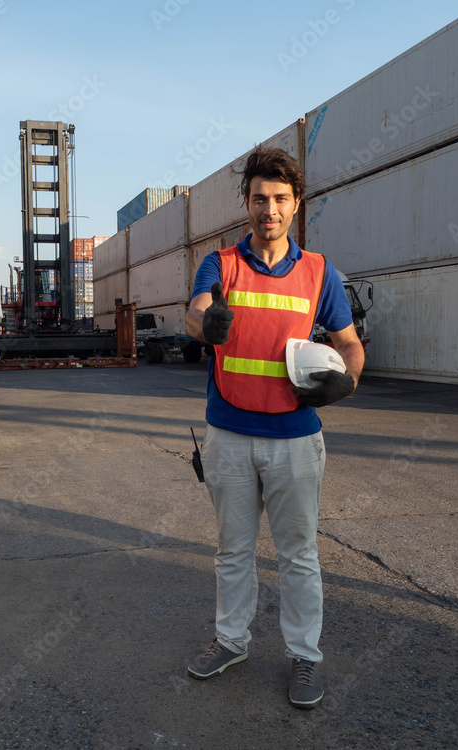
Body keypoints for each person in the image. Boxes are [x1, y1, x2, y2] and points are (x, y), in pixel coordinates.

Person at [184, 146, 364, 709]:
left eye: (281, 199)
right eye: (260, 198)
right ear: (247, 202)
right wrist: (207, 322)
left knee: (299, 555)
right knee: (233, 551)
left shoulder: (319, 273)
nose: (270, 210)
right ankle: (231, 641)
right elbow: (196, 310)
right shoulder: (221, 264)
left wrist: (347, 383)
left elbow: (350, 346)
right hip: (229, 434)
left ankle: (305, 656)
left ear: (296, 203)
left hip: (295, 439)